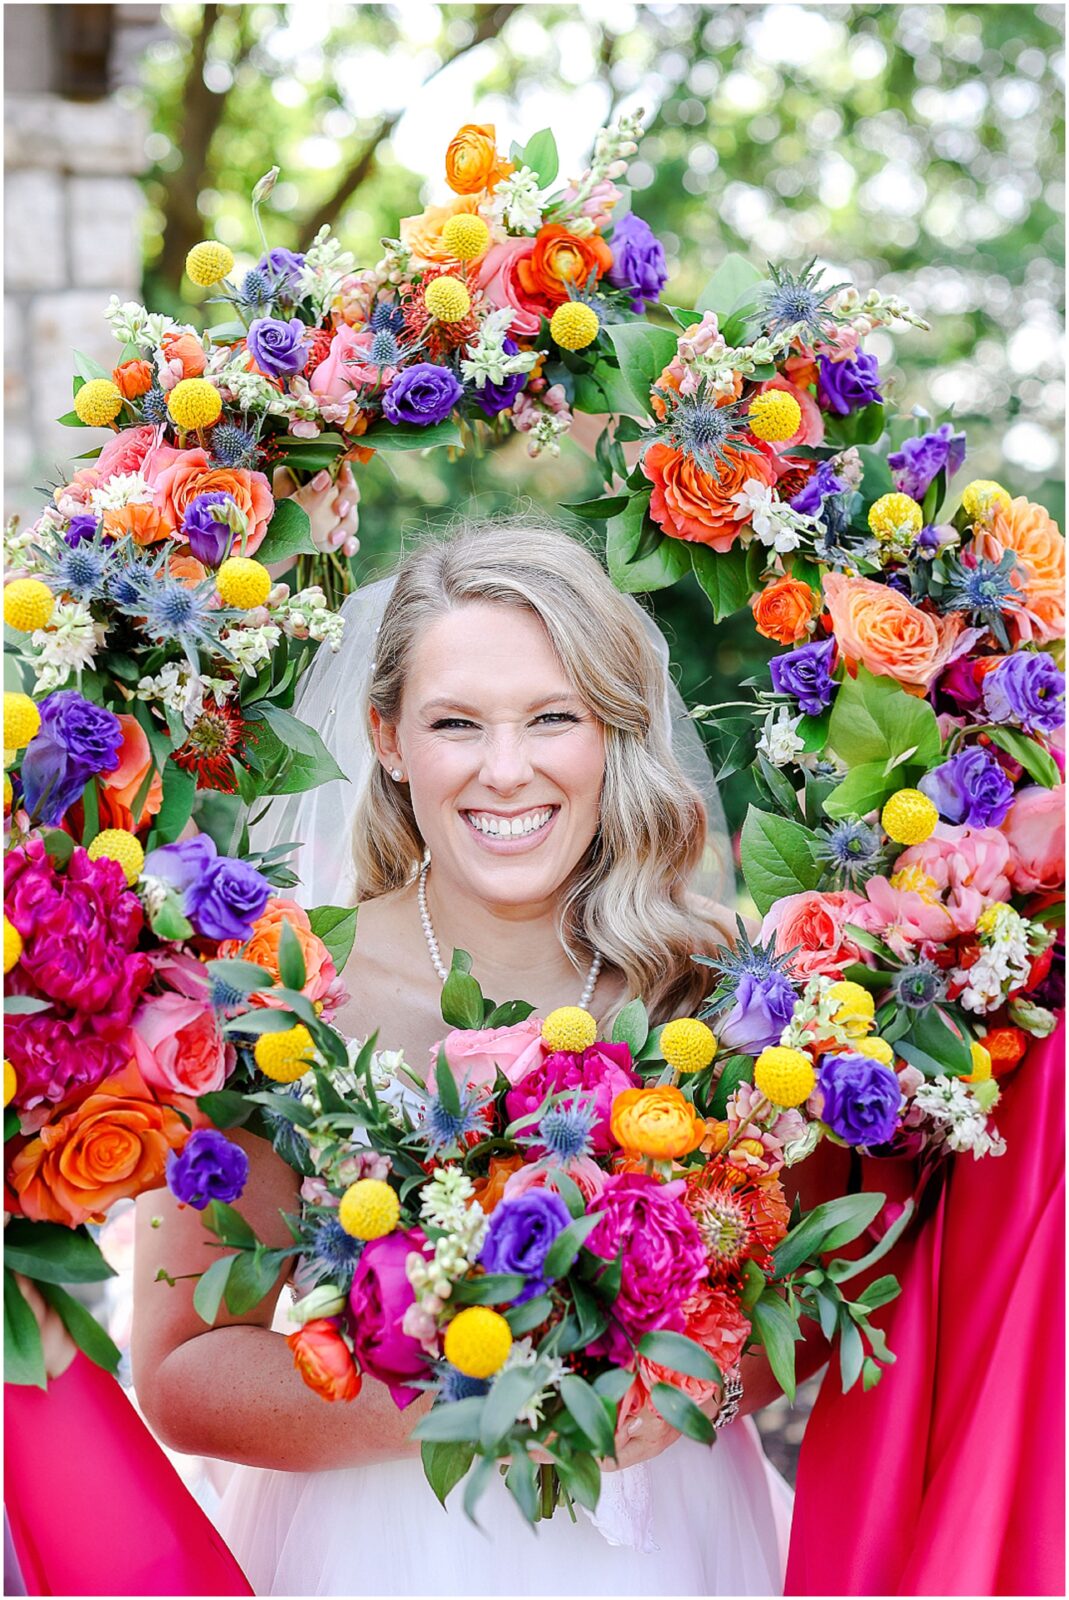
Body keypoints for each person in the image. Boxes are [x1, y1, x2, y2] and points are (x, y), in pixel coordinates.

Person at [132, 523, 843, 1597]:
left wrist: (688, 1385)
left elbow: (795, 1300)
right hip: (380, 1545)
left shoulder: (723, 991)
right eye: (455, 723)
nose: (505, 771)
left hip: (675, 1540)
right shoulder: (283, 994)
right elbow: (181, 1371)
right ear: (385, 736)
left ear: (613, 727)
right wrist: (505, 1405)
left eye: (553, 717)